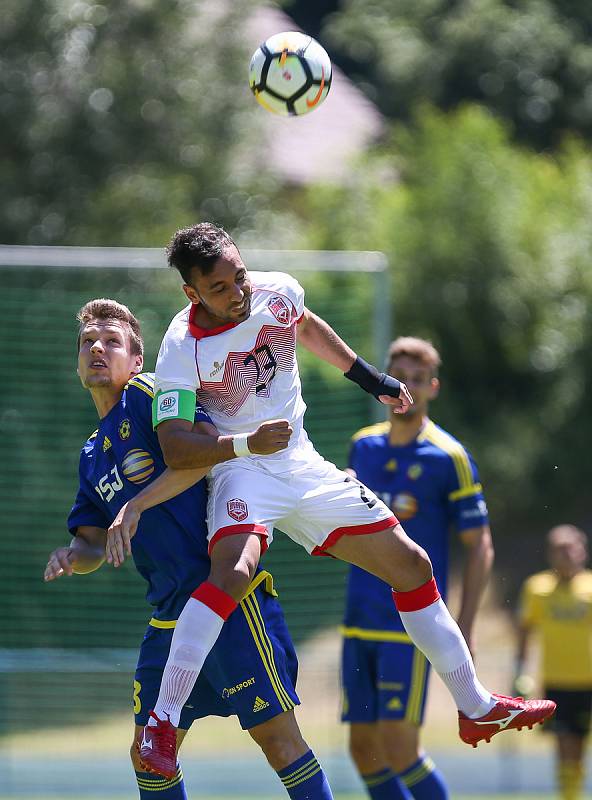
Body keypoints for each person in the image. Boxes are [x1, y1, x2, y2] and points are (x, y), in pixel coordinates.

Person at [111, 222, 554, 778]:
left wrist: (374, 381)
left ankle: (475, 706)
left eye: (240, 277)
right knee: (232, 572)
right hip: (240, 470)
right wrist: (245, 441)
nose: (239, 293)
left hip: (302, 465)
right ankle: (161, 725)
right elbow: (177, 447)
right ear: (192, 293)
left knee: (413, 566)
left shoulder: (276, 291)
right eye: (221, 288)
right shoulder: (182, 345)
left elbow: (304, 327)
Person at [44, 298, 335, 799]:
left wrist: (135, 505)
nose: (97, 348)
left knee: (279, 743)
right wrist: (73, 556)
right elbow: (91, 539)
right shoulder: (92, 452)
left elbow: (202, 453)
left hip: (225, 601)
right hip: (167, 615)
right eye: (88, 342)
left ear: (136, 359)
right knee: (149, 759)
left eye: (112, 341)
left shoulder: (151, 391)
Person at [340, 336, 495, 800]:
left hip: (409, 628)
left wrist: (462, 624)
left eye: (415, 379)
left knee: (399, 748)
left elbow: (479, 543)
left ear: (432, 387)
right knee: (363, 751)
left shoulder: (448, 457)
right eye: (397, 376)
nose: (404, 386)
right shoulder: (361, 447)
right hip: (359, 620)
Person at [515, 524, 592, 800]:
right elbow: (525, 631)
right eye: (559, 549)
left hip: (589, 680)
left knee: (579, 747)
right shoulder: (537, 587)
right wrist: (520, 671)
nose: (566, 554)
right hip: (558, 681)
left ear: (582, 550)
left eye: (571, 547)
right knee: (565, 749)